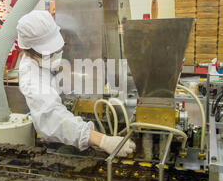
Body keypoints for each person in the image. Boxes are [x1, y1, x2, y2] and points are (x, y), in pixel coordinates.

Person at [16, 10, 135, 157]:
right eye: (48, 53)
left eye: (58, 48)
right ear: (27, 52)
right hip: (58, 139)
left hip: (75, 122)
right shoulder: (31, 76)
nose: (57, 54)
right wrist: (103, 140)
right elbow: (53, 118)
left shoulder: (52, 54)